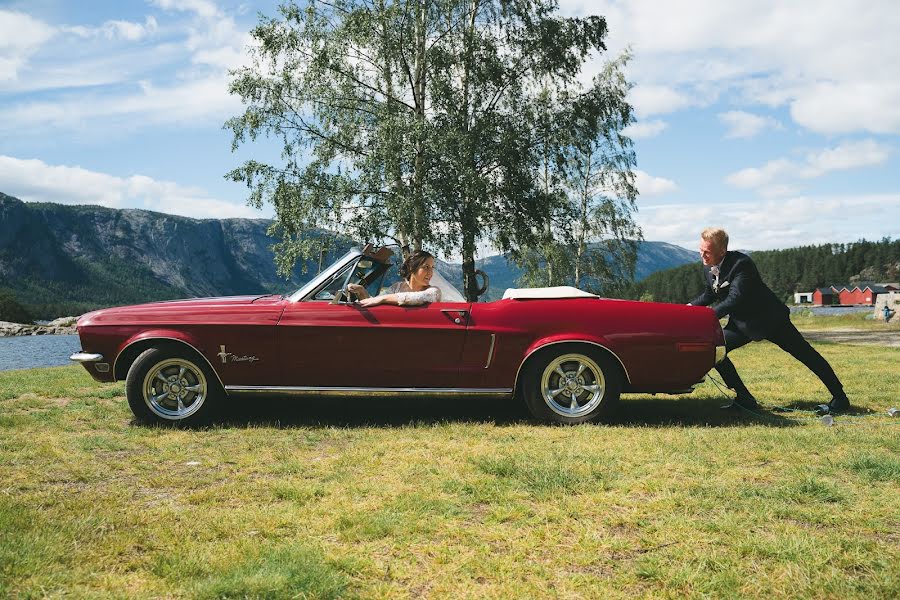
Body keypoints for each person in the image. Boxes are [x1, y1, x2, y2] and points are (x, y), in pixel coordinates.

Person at [688, 228, 850, 413]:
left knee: (806, 355)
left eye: (706, 251)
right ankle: (745, 399)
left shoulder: (741, 264)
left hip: (770, 320)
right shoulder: (709, 265)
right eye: (700, 249)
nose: (702, 255)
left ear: (722, 251)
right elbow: (710, 294)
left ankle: (840, 398)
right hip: (742, 324)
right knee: (715, 351)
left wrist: (707, 317)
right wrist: (688, 309)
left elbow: (735, 299)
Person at [347, 250, 442, 307]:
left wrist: (383, 299)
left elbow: (413, 298)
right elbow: (374, 302)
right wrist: (362, 291)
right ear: (411, 267)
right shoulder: (397, 287)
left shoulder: (434, 291)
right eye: (426, 267)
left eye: (432, 268)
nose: (431, 273)